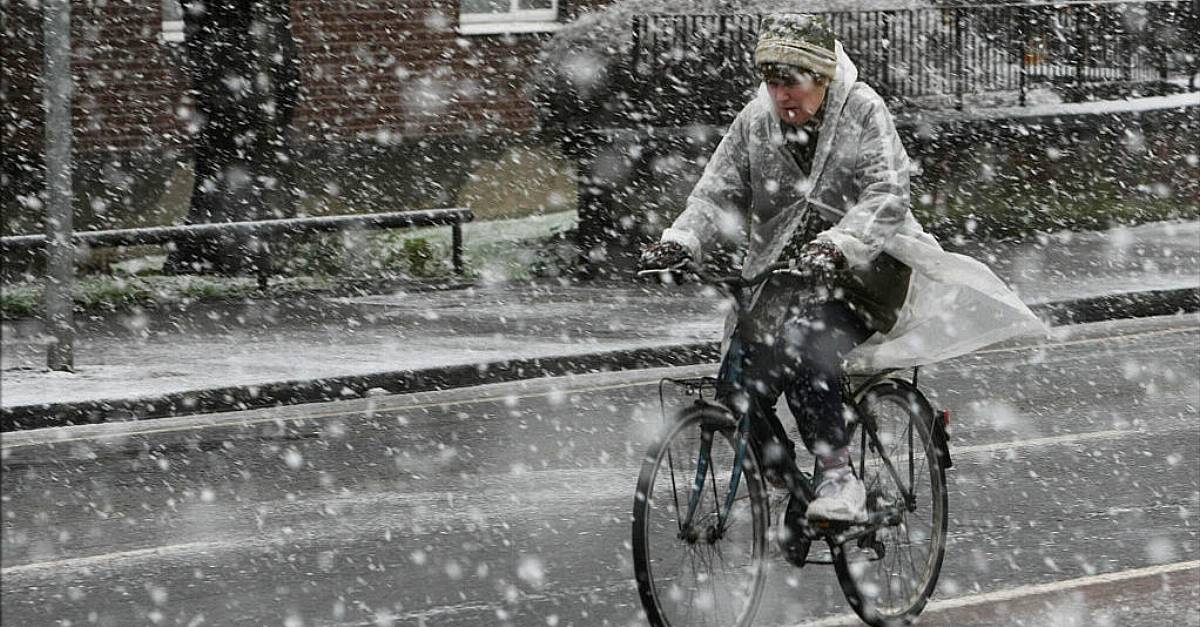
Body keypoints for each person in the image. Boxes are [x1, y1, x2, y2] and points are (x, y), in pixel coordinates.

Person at [639, 14, 1046, 522]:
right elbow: (715, 190)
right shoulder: (754, 121)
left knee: (810, 348)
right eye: (772, 81)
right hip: (786, 275)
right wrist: (680, 239)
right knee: (739, 388)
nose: (781, 94)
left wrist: (839, 243)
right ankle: (796, 491)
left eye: (793, 81)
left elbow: (888, 193)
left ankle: (839, 477)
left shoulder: (862, 110)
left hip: (868, 273)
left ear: (823, 76)